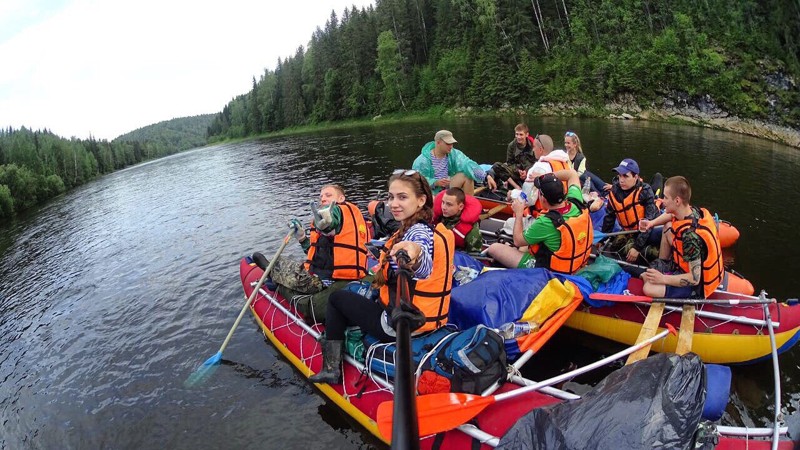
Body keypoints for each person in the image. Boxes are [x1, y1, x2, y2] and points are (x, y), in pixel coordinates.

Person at [309, 170, 455, 384]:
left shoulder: (418, 234)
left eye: (402, 197)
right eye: (391, 197)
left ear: (421, 200)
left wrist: (412, 254)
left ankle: (331, 369)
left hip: (398, 326)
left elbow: (421, 259)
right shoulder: (421, 227)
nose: (393, 204)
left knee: (337, 298)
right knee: (364, 291)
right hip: (425, 322)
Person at [252, 184, 370, 323]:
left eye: (328, 195)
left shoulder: (337, 213)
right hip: (334, 274)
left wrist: (328, 224)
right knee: (294, 265)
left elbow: (334, 220)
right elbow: (317, 253)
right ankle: (276, 274)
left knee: (279, 264)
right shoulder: (346, 222)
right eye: (321, 196)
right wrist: (302, 238)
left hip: (323, 281)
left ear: (341, 198)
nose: (323, 199)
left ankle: (271, 271)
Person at [487, 168, 593, 274]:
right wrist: (546, 177)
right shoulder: (575, 200)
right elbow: (572, 173)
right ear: (563, 192)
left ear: (543, 199)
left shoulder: (546, 222)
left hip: (553, 271)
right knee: (526, 244)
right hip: (576, 262)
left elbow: (517, 240)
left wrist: (519, 213)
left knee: (494, 248)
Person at [638, 176, 724, 299]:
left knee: (648, 288)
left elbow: (694, 279)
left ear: (677, 201)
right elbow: (669, 217)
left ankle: (663, 276)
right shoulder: (691, 211)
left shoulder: (690, 237)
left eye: (666, 197)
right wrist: (651, 223)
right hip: (681, 266)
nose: (662, 201)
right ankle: (663, 263)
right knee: (668, 226)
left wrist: (663, 279)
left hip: (696, 286)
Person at [601, 158, 661, 263]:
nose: (621, 180)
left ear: (636, 177)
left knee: (648, 253)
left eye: (625, 176)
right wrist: (602, 240)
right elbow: (609, 218)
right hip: (630, 230)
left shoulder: (645, 191)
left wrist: (637, 247)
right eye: (619, 175)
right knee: (614, 248)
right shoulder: (615, 191)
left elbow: (648, 222)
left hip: (649, 229)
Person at [413, 130, 487, 196]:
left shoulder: (453, 153)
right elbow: (417, 182)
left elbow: (467, 164)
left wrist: (485, 176)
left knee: (466, 175)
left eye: (452, 144)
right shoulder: (421, 161)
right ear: (438, 142)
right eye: (448, 144)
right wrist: (435, 182)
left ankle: (468, 204)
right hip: (432, 193)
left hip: (449, 187)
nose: (451, 146)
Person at [485, 123, 536, 191]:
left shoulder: (533, 145)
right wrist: (519, 171)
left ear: (526, 134)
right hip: (517, 170)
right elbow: (510, 163)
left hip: (529, 170)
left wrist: (526, 171)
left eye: (521, 134)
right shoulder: (511, 146)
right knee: (496, 166)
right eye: (516, 134)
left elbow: (535, 161)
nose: (518, 137)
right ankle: (516, 187)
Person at [433, 187, 483, 253]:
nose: (444, 207)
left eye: (449, 204)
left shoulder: (472, 232)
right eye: (443, 202)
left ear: (460, 207)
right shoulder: (438, 217)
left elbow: (474, 258)